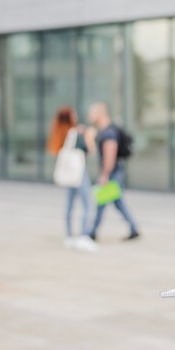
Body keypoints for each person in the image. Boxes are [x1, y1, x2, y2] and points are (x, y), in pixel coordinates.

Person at [47, 105, 99, 252]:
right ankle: (84, 236)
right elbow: (90, 150)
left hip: (69, 175)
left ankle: (69, 236)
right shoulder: (75, 133)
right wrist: (89, 136)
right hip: (78, 173)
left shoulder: (60, 132)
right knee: (87, 204)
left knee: (70, 205)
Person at [88, 101, 140, 241]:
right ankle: (133, 227)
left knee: (102, 201)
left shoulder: (108, 133)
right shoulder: (104, 130)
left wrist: (105, 174)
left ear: (100, 114)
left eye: (92, 112)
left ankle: (92, 232)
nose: (89, 115)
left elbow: (110, 155)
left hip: (112, 172)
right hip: (113, 171)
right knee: (117, 201)